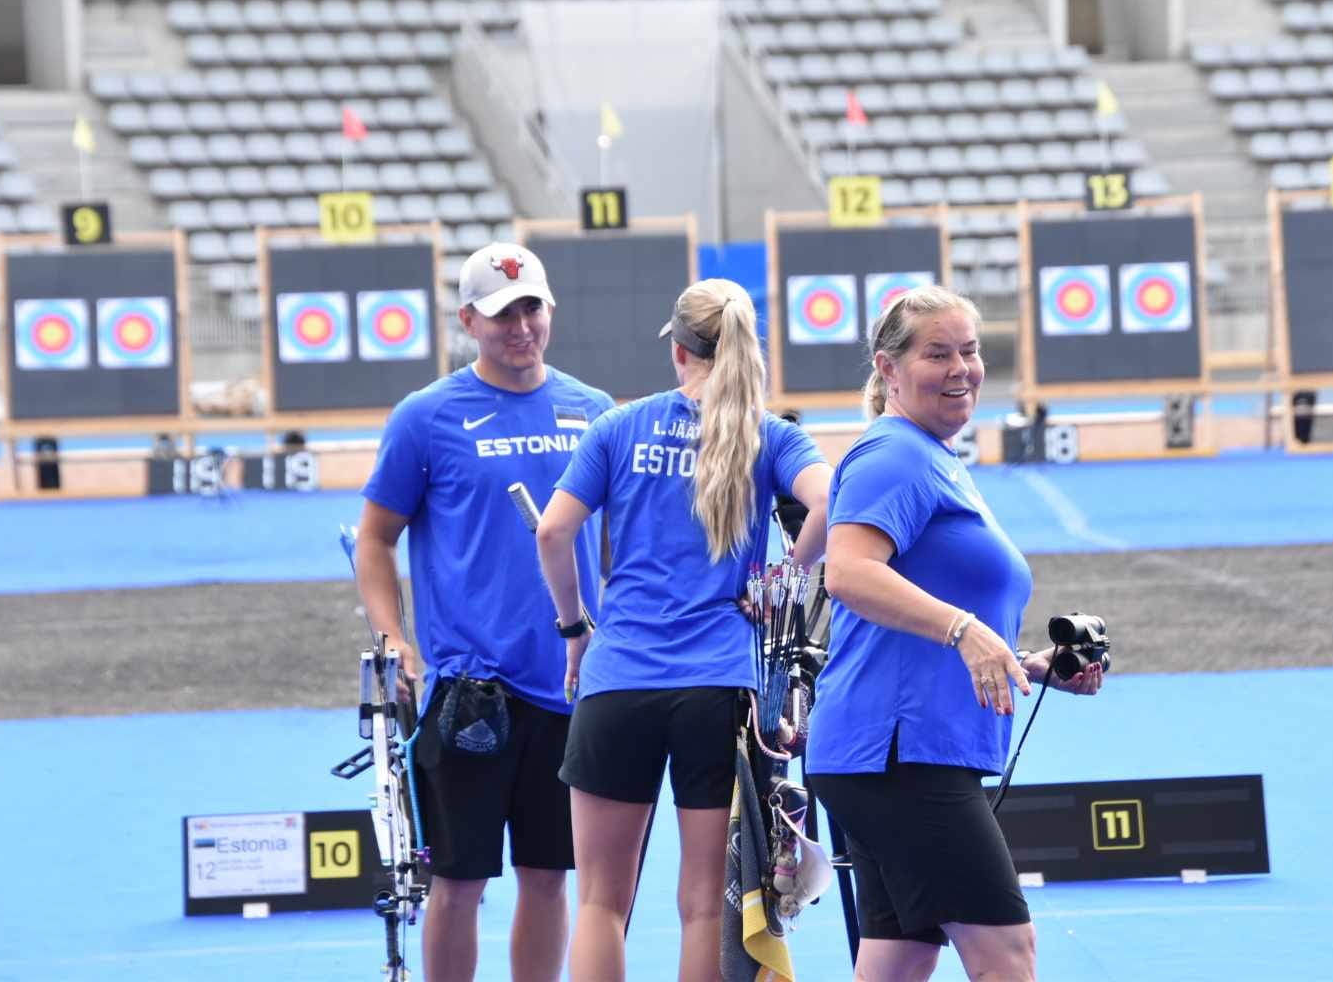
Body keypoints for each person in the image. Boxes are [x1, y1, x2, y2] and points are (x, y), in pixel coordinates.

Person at [535, 278, 832, 981]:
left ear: (678, 350)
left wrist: (574, 627)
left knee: (601, 902)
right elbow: (833, 497)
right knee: (703, 905)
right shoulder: (770, 434)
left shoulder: (618, 426)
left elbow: (552, 532)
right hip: (717, 689)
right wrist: (784, 572)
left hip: (617, 682)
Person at [805, 287, 1103, 982]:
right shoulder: (896, 456)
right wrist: (965, 629)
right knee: (1006, 953)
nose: (961, 367)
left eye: (969, 351)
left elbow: (917, 613)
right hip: (900, 757)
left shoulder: (930, 457)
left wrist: (1027, 662)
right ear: (889, 368)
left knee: (899, 961)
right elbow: (847, 572)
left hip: (888, 753)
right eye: (937, 353)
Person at [357, 242, 615, 982]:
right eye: (501, 314)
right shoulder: (425, 417)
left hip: (572, 685)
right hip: (469, 693)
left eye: (531, 307)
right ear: (469, 319)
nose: (520, 326)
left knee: (549, 876)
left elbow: (619, 547)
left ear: (550, 310)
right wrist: (394, 638)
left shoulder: (593, 411)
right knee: (459, 884)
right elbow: (375, 539)